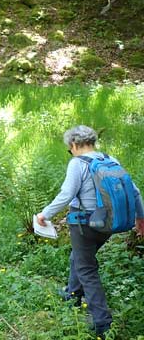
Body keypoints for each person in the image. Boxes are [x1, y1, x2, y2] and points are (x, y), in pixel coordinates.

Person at [36, 125, 144, 338]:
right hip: (108, 225)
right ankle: (73, 295)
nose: (71, 151)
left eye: (70, 148)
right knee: (79, 256)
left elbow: (67, 194)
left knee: (86, 268)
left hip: (83, 224)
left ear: (74, 145)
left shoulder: (78, 163)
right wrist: (141, 218)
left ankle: (103, 323)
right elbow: (134, 191)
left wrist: (44, 215)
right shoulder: (109, 159)